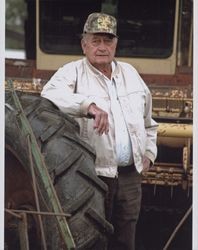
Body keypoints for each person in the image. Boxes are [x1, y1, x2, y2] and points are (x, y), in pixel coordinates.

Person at [41, 12, 158, 250]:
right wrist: (88, 106)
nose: (102, 47)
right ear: (84, 45)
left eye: (108, 40)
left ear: (115, 45)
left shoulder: (131, 74)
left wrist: (149, 154)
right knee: (91, 240)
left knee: (125, 240)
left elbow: (149, 122)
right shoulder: (72, 72)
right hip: (91, 176)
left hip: (130, 175)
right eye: (96, 41)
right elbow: (48, 95)